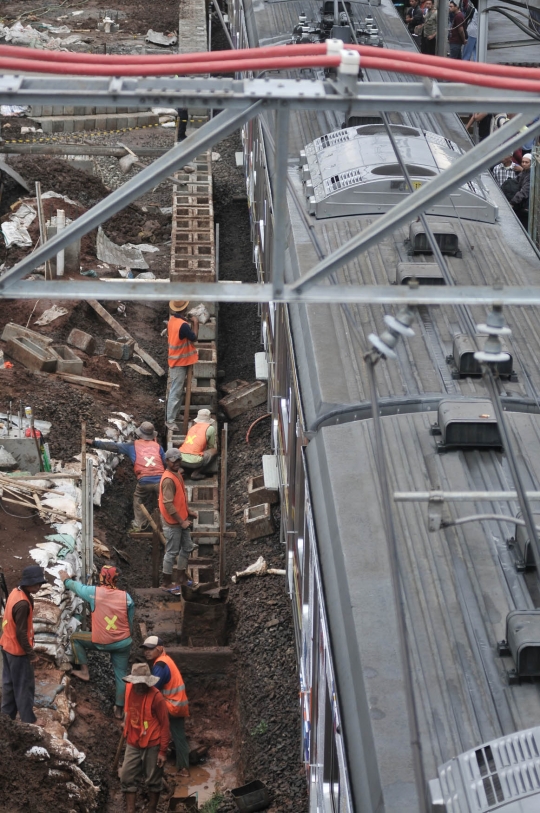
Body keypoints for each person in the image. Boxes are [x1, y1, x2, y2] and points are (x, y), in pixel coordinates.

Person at [58, 565, 134, 719]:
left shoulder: (94, 593)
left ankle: (84, 671)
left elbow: (75, 586)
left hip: (101, 641)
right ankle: (119, 711)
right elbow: (130, 623)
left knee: (75, 638)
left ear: (101, 577)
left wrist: (65, 578)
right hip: (123, 642)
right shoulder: (127, 598)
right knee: (121, 675)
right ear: (116, 578)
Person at [88, 421, 166, 532]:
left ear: (139, 434)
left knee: (138, 498)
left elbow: (113, 447)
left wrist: (94, 443)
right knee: (163, 500)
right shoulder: (158, 447)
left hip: (144, 481)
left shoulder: (132, 446)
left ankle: (139, 524)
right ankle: (165, 524)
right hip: (161, 480)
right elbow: (165, 463)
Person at [120, 663, 170, 813]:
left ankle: (151, 809)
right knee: (127, 776)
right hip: (133, 742)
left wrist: (162, 751)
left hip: (152, 742)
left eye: (143, 684)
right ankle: (130, 809)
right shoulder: (130, 691)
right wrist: (125, 723)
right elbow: (129, 710)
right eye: (137, 683)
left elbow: (165, 725)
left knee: (153, 780)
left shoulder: (157, 697)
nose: (140, 686)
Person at [0, 565, 47, 724]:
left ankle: (7, 716)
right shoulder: (23, 604)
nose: (39, 587)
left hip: (6, 646)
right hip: (18, 652)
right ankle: (28, 720)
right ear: (29, 583)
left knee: (9, 683)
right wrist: (31, 654)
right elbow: (21, 633)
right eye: (37, 584)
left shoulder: (16, 592)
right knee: (24, 686)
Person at [141, 636, 190, 776]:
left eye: (150, 649)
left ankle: (154, 761)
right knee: (179, 735)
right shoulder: (166, 660)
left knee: (153, 727)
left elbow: (152, 689)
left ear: (159, 648)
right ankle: (184, 768)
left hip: (170, 705)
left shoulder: (160, 666)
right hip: (179, 705)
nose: (146, 652)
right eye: (145, 649)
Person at [159, 448, 198, 591]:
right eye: (173, 460)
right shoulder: (168, 480)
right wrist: (181, 521)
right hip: (173, 522)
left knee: (187, 547)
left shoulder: (177, 474)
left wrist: (188, 512)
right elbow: (168, 504)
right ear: (167, 461)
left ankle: (181, 578)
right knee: (171, 552)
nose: (176, 463)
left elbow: (180, 499)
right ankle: (166, 582)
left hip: (181, 519)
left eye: (178, 460)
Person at [166, 300, 199, 432]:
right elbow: (194, 337)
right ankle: (170, 420)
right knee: (176, 391)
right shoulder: (183, 325)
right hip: (179, 362)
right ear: (184, 309)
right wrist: (195, 323)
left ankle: (175, 414)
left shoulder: (173, 320)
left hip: (178, 360)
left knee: (178, 390)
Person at [179, 408, 218, 481]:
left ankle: (180, 469)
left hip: (180, 459)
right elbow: (210, 446)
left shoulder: (192, 427)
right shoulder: (210, 428)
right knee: (214, 451)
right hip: (196, 462)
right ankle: (196, 473)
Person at [510, 152, 531, 228]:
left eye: (526, 162)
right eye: (523, 162)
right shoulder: (524, 172)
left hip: (525, 207)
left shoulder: (530, 175)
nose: (524, 164)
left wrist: (513, 202)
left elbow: (524, 191)